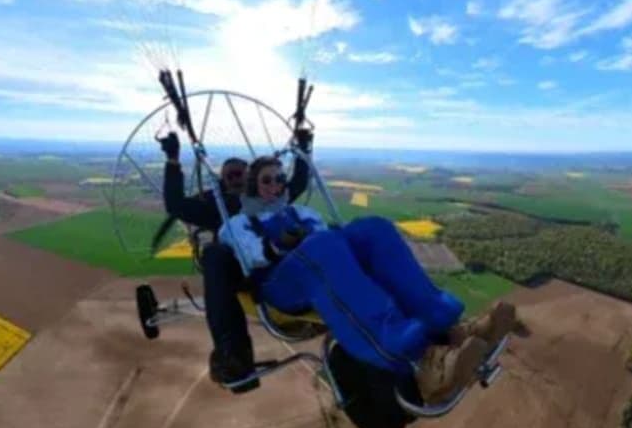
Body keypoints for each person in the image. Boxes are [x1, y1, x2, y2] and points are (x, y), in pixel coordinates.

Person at [218, 155, 517, 404]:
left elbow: (332, 241)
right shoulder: (238, 223)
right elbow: (251, 255)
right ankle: (420, 360)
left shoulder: (300, 213)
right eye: (267, 180)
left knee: (374, 229)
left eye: (280, 178)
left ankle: (448, 327)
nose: (275, 185)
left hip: (317, 263)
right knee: (321, 247)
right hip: (279, 284)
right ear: (253, 187)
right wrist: (276, 245)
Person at [159, 129, 314, 391]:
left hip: (283, 264)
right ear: (222, 182)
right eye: (229, 176)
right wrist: (172, 159)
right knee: (215, 254)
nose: (235, 179)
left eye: (240, 174)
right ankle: (234, 356)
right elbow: (175, 205)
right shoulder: (216, 205)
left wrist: (304, 145)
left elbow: (298, 181)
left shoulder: (271, 194)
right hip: (242, 270)